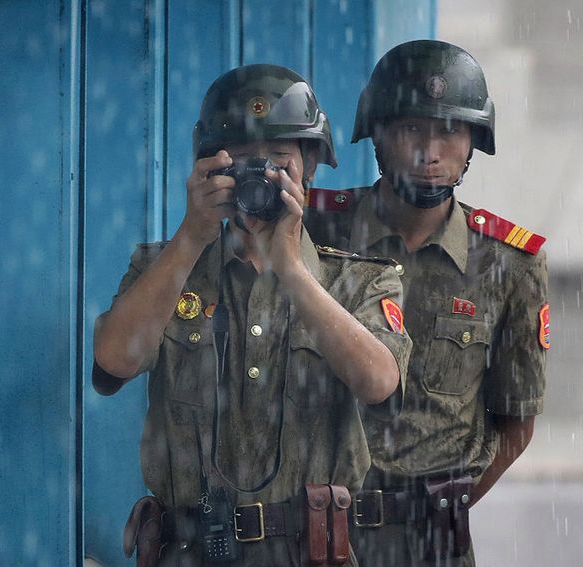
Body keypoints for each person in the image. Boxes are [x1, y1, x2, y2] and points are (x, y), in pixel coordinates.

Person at [93, 64, 411, 566]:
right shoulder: (165, 270)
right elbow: (113, 362)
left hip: (313, 553)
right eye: (240, 162)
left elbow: (380, 386)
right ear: (209, 169)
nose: (260, 176)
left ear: (309, 165)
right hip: (189, 551)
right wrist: (193, 235)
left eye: (278, 161)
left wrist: (292, 271)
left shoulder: (360, 282)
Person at [304, 40, 549, 566]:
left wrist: (439, 510)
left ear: (473, 143)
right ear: (378, 134)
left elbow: (517, 424)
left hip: (433, 544)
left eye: (449, 130)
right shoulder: (314, 231)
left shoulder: (509, 263)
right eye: (411, 128)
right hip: (310, 535)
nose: (430, 151)